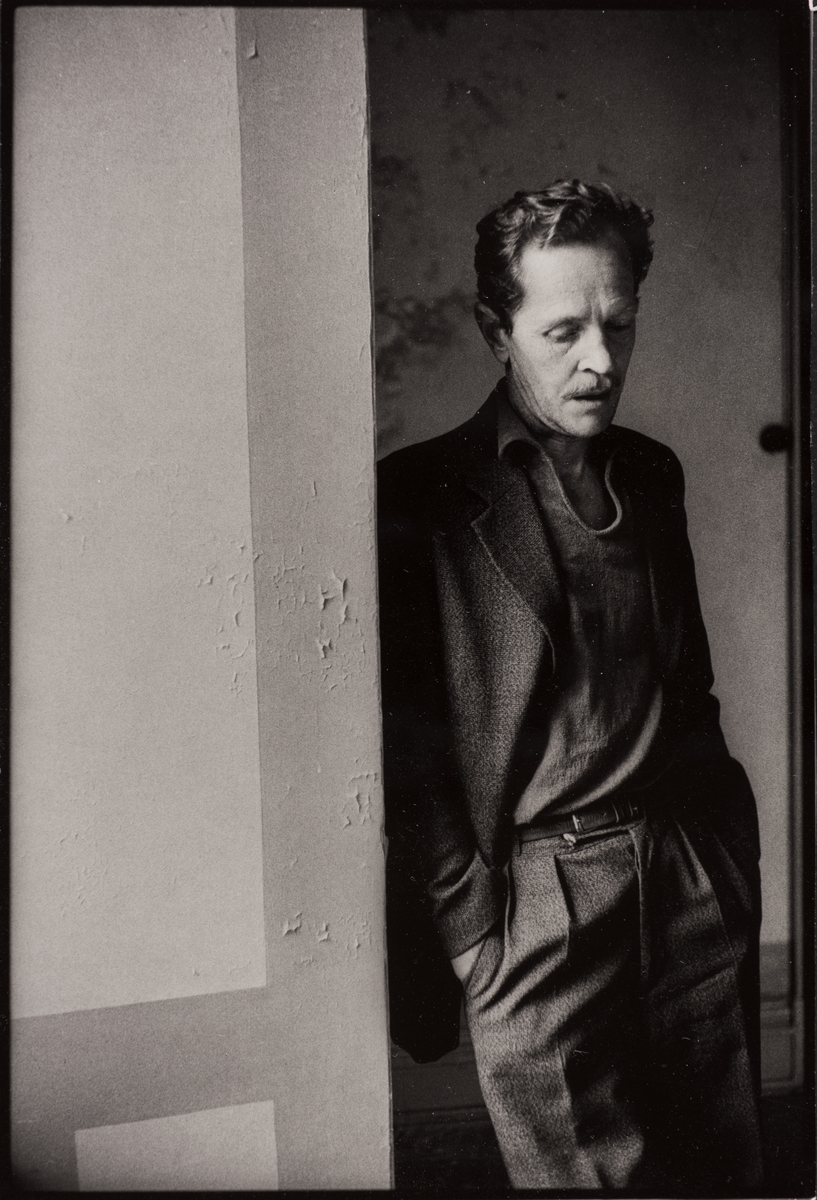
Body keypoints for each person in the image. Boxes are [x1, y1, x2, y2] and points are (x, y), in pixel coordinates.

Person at [377, 180, 763, 1191]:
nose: (600, 360)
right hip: (534, 902)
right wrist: (472, 934)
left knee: (720, 1169)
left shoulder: (651, 474)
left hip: (685, 874)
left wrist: (722, 861)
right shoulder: (421, 494)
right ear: (493, 331)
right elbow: (406, 743)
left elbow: (689, 691)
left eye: (617, 323)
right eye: (562, 332)